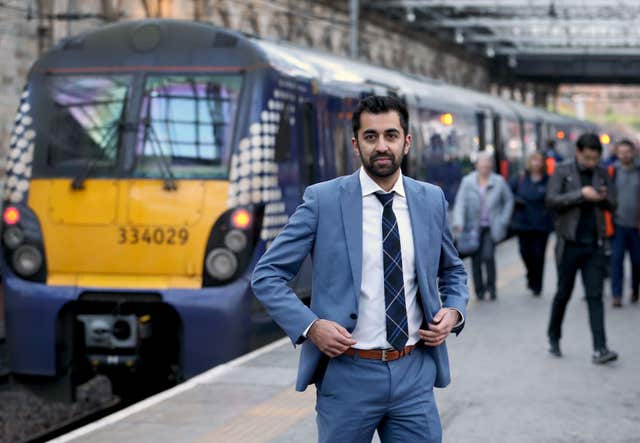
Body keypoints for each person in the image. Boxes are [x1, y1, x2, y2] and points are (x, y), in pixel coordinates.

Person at [252, 96, 469, 443]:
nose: (381, 146)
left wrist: (454, 311)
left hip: (414, 372)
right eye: (371, 137)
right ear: (356, 144)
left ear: (407, 141)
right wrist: (311, 326)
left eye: (391, 135)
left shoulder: (430, 200)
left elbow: (453, 271)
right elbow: (266, 275)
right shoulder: (323, 200)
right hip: (347, 374)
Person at [545, 133, 618, 365]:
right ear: (578, 152)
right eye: (587, 158)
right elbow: (551, 200)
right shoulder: (562, 170)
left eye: (595, 158)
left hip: (594, 245)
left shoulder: (602, 172)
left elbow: (613, 204)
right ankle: (554, 336)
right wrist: (580, 195)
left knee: (595, 296)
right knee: (563, 293)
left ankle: (600, 348)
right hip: (569, 244)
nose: (591, 163)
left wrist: (603, 198)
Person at [452, 152, 514, 300]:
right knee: (475, 259)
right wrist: (458, 222)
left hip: (491, 227)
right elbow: (460, 203)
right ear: (477, 166)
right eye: (482, 165)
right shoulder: (468, 182)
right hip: (473, 227)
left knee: (488, 256)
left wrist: (504, 220)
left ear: (491, 166)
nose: (485, 168)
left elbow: (509, 200)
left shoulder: (498, 181)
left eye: (487, 165)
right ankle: (479, 291)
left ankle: (492, 289)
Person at [509, 152, 554, 296]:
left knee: (539, 255)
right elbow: (507, 193)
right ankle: (530, 274)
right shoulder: (521, 178)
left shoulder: (548, 180)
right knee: (525, 252)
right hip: (523, 224)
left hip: (542, 225)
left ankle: (537, 285)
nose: (536, 164)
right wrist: (516, 200)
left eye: (539, 161)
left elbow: (554, 198)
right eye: (533, 161)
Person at [607, 139, 640, 307]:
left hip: (636, 227)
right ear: (617, 153)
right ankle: (616, 294)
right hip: (618, 225)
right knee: (616, 260)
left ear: (633, 152)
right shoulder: (612, 172)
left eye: (628, 152)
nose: (625, 155)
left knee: (637, 261)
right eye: (621, 152)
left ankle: (635, 289)